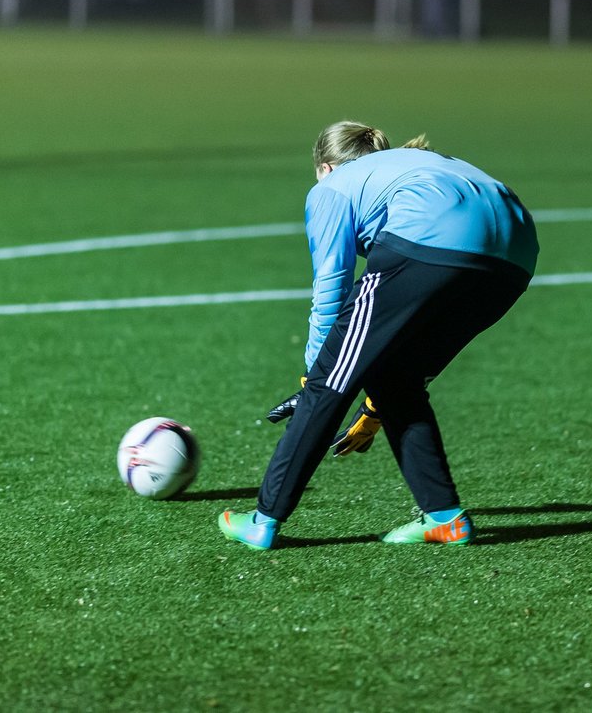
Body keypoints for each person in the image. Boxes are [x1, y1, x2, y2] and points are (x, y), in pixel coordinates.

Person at [219, 121, 539, 550]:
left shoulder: (331, 188)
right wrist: (375, 406)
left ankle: (264, 520)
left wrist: (314, 379)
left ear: (325, 168)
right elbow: (417, 350)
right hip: (515, 255)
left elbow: (330, 288)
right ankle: (445, 518)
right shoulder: (404, 167)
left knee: (328, 380)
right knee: (398, 380)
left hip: (435, 238)